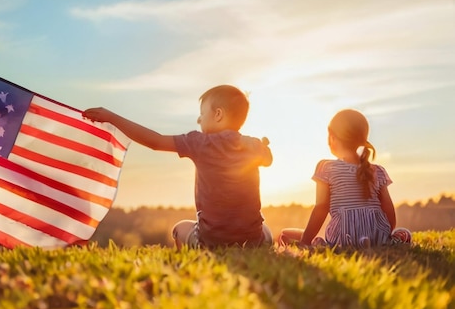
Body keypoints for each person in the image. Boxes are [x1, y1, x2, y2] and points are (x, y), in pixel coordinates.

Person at [82, 85, 273, 249]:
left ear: (218, 114)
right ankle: (258, 243)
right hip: (252, 239)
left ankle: (190, 260)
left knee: (180, 228)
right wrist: (262, 146)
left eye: (202, 114)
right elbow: (268, 160)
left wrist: (112, 117)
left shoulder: (199, 142)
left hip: (212, 241)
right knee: (266, 230)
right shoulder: (252, 145)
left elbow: (155, 141)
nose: (199, 120)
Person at [277, 109, 412, 249]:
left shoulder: (326, 168)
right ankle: (369, 242)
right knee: (404, 233)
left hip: (342, 238)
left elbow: (321, 208)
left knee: (287, 233)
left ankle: (325, 242)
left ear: (332, 137)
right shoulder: (377, 171)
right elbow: (388, 209)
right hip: (377, 238)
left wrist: (305, 241)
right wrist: (385, 235)